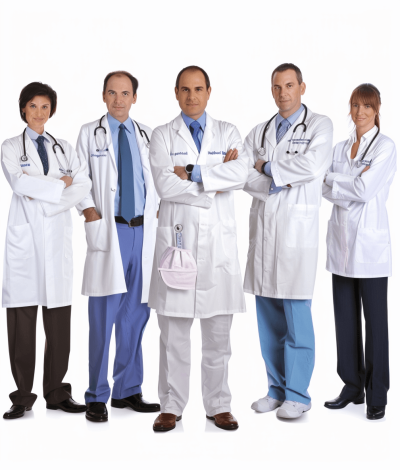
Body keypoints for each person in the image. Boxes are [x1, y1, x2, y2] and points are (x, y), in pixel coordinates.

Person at [149, 65, 248, 432]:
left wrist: (191, 174)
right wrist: (214, 179)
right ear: (176, 93)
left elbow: (241, 175)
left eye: (198, 89)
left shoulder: (229, 131)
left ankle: (219, 405)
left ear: (209, 91)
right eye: (185, 89)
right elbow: (163, 186)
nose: (192, 96)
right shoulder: (161, 135)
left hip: (218, 248)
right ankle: (171, 406)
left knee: (218, 337)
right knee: (173, 335)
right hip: (177, 244)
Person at [243, 63, 333, 419]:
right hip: (265, 233)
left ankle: (299, 393)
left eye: (290, 85)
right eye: (277, 87)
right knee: (268, 318)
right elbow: (241, 173)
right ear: (272, 90)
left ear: (302, 87)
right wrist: (273, 176)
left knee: (297, 316)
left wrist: (266, 168)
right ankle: (275, 390)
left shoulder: (319, 125)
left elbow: (312, 167)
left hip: (297, 234)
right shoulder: (260, 130)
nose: (283, 92)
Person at [1, 82, 91, 420]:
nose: (40, 112)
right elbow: (19, 183)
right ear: (23, 109)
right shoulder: (10, 147)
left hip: (56, 239)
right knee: (22, 321)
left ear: (51, 110)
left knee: (58, 321)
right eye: (33, 106)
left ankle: (56, 391)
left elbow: (84, 183)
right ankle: (22, 396)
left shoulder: (64, 148)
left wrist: (49, 196)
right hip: (24, 243)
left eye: (45, 107)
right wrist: (61, 185)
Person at [76, 71, 160, 423]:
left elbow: (158, 180)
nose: (119, 100)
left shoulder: (146, 134)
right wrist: (91, 211)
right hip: (111, 232)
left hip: (143, 232)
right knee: (103, 317)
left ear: (135, 97)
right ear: (103, 96)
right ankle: (97, 395)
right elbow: (80, 177)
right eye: (112, 93)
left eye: (125, 93)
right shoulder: (89, 133)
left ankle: (128, 389)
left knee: (136, 315)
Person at [323, 84, 396, 420]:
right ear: (349, 109)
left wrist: (339, 182)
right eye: (355, 105)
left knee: (376, 323)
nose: (361, 112)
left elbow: (366, 191)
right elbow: (322, 185)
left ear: (377, 107)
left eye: (367, 106)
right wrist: (344, 182)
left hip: (369, 248)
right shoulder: (339, 148)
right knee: (345, 320)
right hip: (341, 245)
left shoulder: (386, 147)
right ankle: (352, 386)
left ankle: (376, 392)